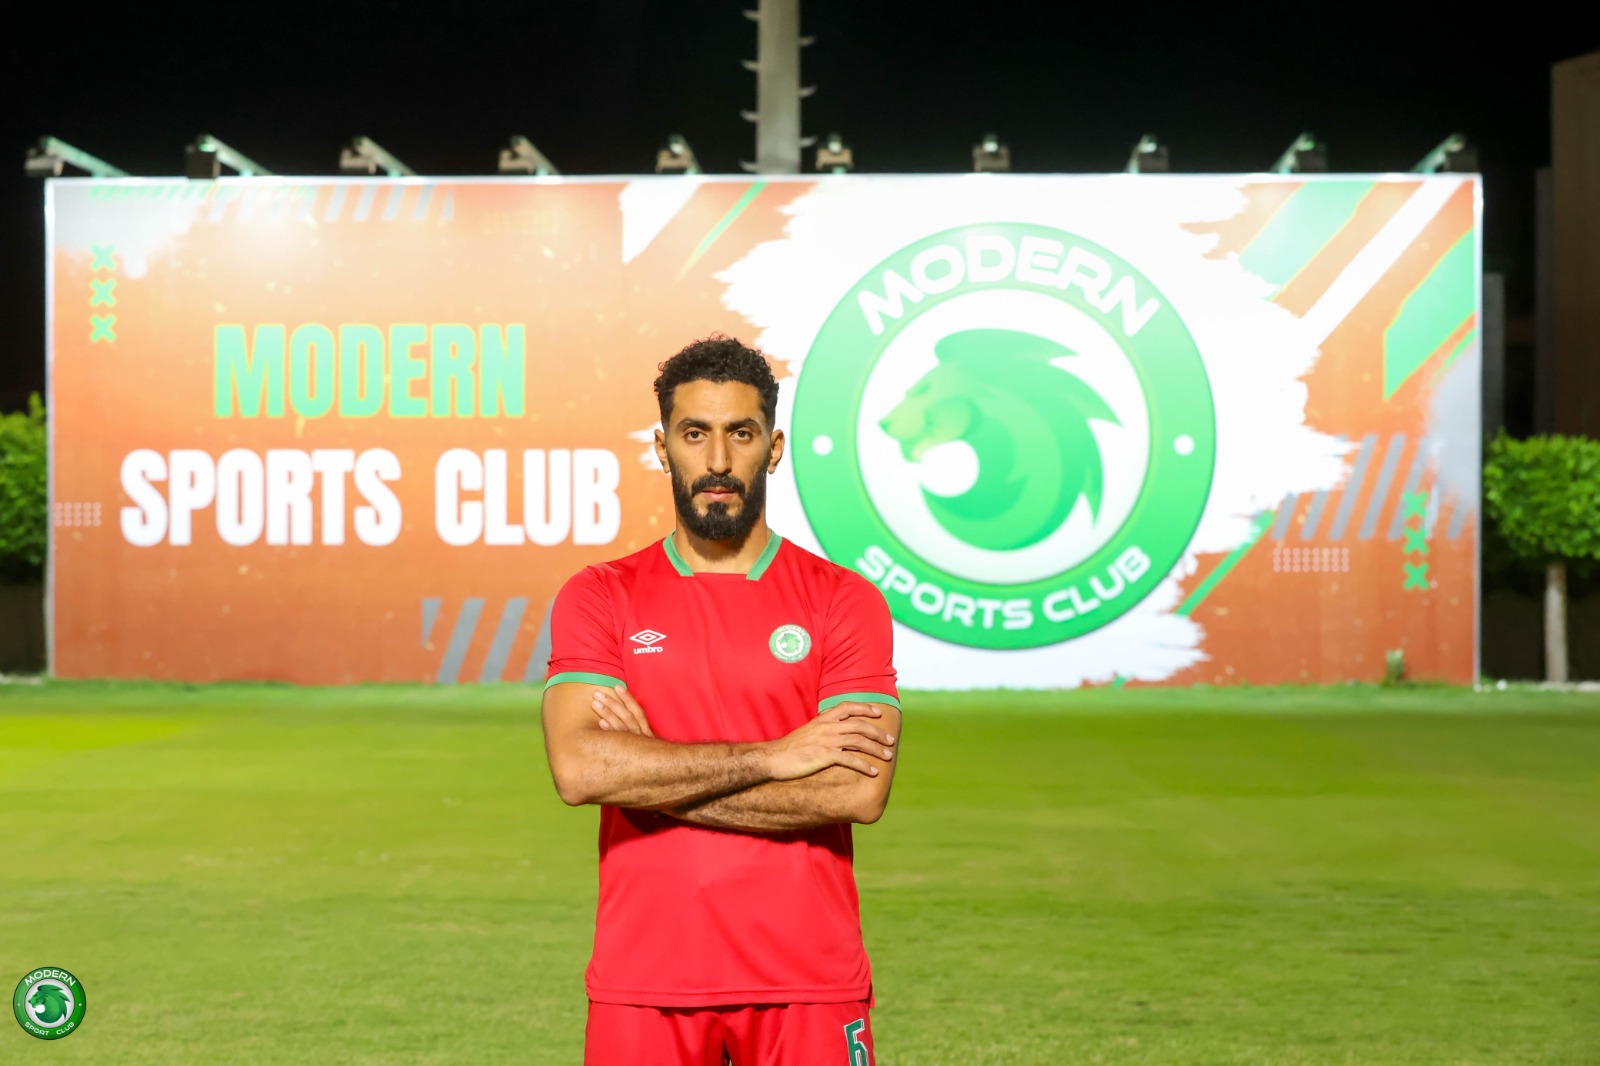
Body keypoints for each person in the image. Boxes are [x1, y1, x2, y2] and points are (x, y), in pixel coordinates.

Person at [540, 334, 902, 1065]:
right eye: (693, 433)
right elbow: (581, 770)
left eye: (740, 434)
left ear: (773, 447)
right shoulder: (601, 595)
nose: (716, 461)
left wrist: (649, 776)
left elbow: (856, 791)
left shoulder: (843, 601)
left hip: (810, 980)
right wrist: (775, 756)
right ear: (662, 447)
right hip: (645, 979)